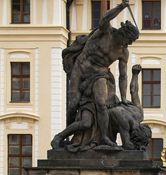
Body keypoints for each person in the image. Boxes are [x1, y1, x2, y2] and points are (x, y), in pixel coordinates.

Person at [51, 0, 140, 150]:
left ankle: (104, 137)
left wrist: (124, 97)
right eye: (128, 40)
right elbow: (105, 19)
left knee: (101, 103)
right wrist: (121, 7)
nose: (128, 44)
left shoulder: (123, 51)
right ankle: (67, 138)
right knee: (73, 104)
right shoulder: (106, 32)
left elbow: (123, 76)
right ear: (123, 33)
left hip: (100, 73)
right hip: (81, 69)